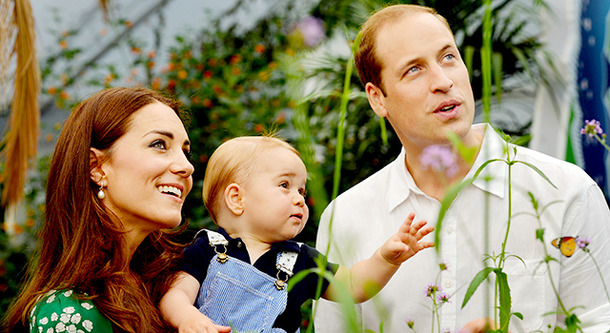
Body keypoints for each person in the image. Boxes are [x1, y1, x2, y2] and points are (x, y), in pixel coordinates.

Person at [314, 4, 610, 333]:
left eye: (448, 57)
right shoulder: (345, 218)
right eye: (414, 69)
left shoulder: (566, 193)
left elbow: (599, 322)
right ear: (377, 99)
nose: (442, 81)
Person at [158, 136, 435, 333]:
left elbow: (353, 286)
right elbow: (175, 294)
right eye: (284, 185)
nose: (299, 198)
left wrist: (386, 259)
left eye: (301, 190)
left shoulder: (301, 259)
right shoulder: (206, 248)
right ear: (237, 199)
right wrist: (187, 318)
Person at [1, 87, 195, 332]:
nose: (187, 167)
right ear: (96, 167)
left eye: (186, 151)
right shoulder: (70, 313)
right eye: (159, 144)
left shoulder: (175, 292)